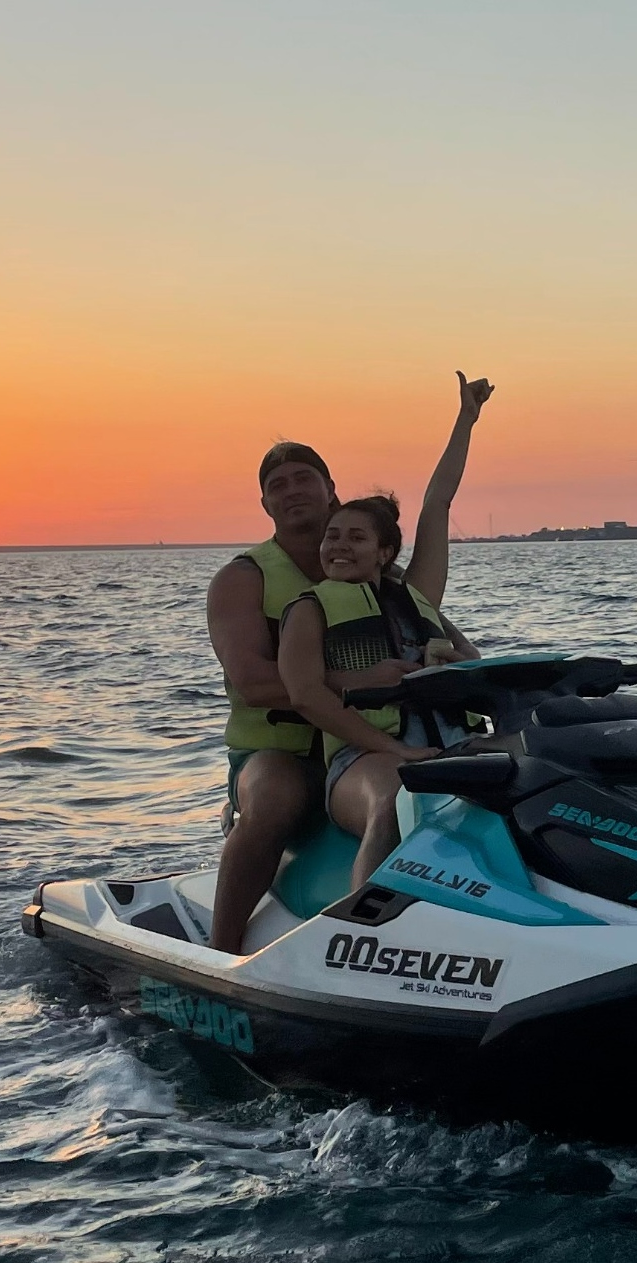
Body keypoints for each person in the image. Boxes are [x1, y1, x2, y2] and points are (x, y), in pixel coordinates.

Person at [201, 373, 492, 952]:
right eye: (276, 484)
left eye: (304, 477)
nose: (291, 489)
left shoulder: (392, 588)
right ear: (264, 503)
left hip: (372, 744)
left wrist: (465, 422)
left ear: (332, 488)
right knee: (279, 798)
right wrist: (360, 682)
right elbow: (255, 684)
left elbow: (438, 505)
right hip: (280, 751)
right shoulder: (244, 579)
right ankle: (221, 950)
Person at [277, 376, 493, 891]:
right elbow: (306, 696)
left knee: (544, 764)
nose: (337, 546)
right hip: (364, 760)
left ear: (385, 552)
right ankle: (360, 929)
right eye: (332, 536)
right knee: (398, 800)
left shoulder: (416, 596)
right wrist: (396, 751)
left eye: (355, 537)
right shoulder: (309, 610)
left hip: (452, 743)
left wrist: (466, 420)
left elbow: (437, 503)